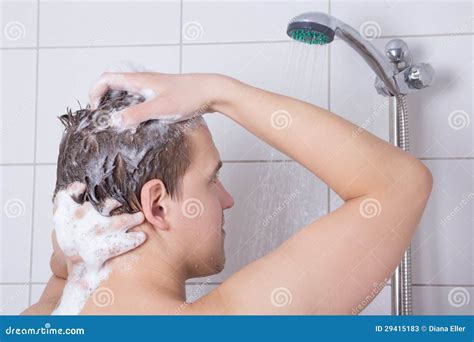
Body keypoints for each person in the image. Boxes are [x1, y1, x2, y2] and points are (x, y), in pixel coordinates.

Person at [22, 72, 432, 315]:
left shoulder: (46, 315)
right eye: (212, 179)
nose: (227, 199)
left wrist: (69, 248)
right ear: (158, 205)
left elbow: (64, 267)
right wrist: (219, 91)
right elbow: (397, 185)